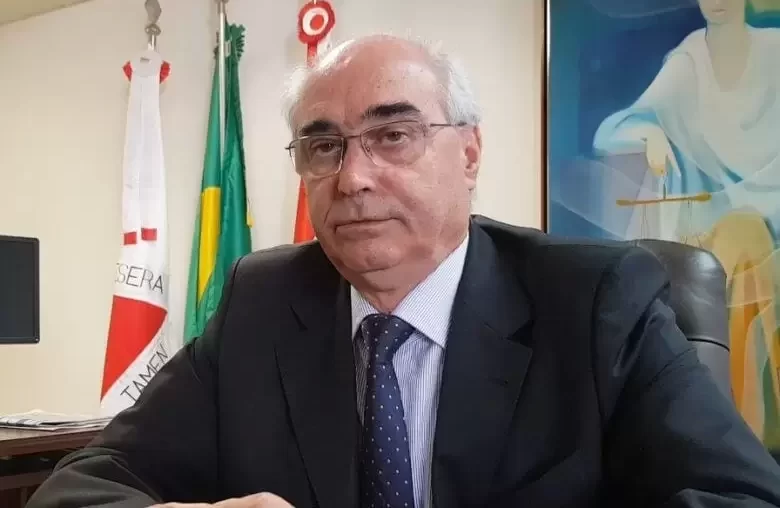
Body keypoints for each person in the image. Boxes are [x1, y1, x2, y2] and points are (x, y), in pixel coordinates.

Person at [27, 34, 780, 508]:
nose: (353, 178)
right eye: (323, 147)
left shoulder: (596, 301)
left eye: (393, 135)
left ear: (470, 155)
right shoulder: (263, 303)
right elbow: (81, 485)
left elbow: (740, 497)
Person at [588, 0, 780, 444]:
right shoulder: (689, 61)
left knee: (745, 234)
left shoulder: (774, 52)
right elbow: (609, 131)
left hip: (768, 230)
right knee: (732, 243)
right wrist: (650, 132)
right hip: (706, 233)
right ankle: (735, 434)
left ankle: (743, 433)